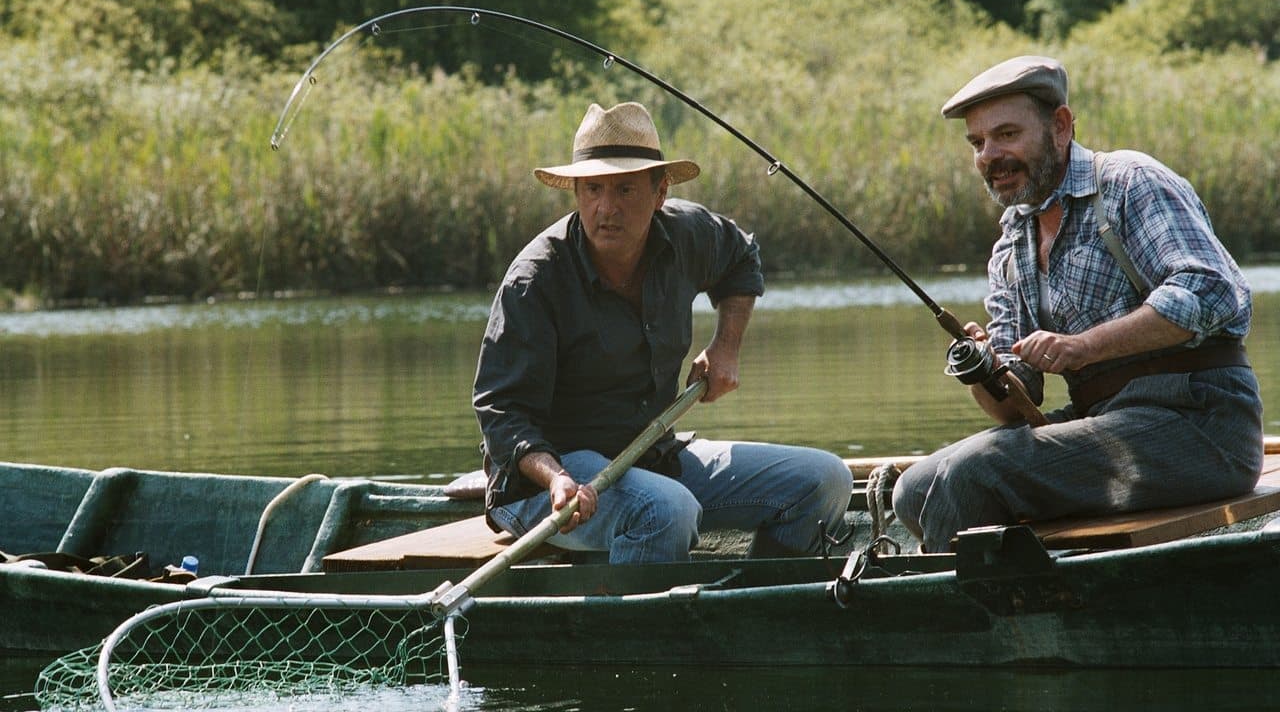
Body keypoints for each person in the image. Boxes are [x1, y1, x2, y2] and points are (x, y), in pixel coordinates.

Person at [892, 56, 1263, 553]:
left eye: (1006, 134)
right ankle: (1020, 604)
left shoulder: (1130, 182)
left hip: (1202, 425)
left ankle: (962, 622)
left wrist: (1083, 347)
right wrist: (982, 368)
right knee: (912, 489)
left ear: (1060, 126)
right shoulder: (1012, 244)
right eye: (977, 143)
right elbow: (1014, 407)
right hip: (1108, 423)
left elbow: (1211, 289)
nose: (989, 156)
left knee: (973, 475)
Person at [473, 101, 853, 564]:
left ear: (660, 192)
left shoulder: (687, 233)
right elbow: (502, 413)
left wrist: (725, 347)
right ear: (576, 193)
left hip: (654, 457)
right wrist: (555, 478)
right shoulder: (535, 280)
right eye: (592, 189)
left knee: (826, 480)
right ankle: (638, 633)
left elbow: (741, 258)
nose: (606, 208)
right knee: (667, 512)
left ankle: (752, 608)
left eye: (625, 189)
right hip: (544, 484)